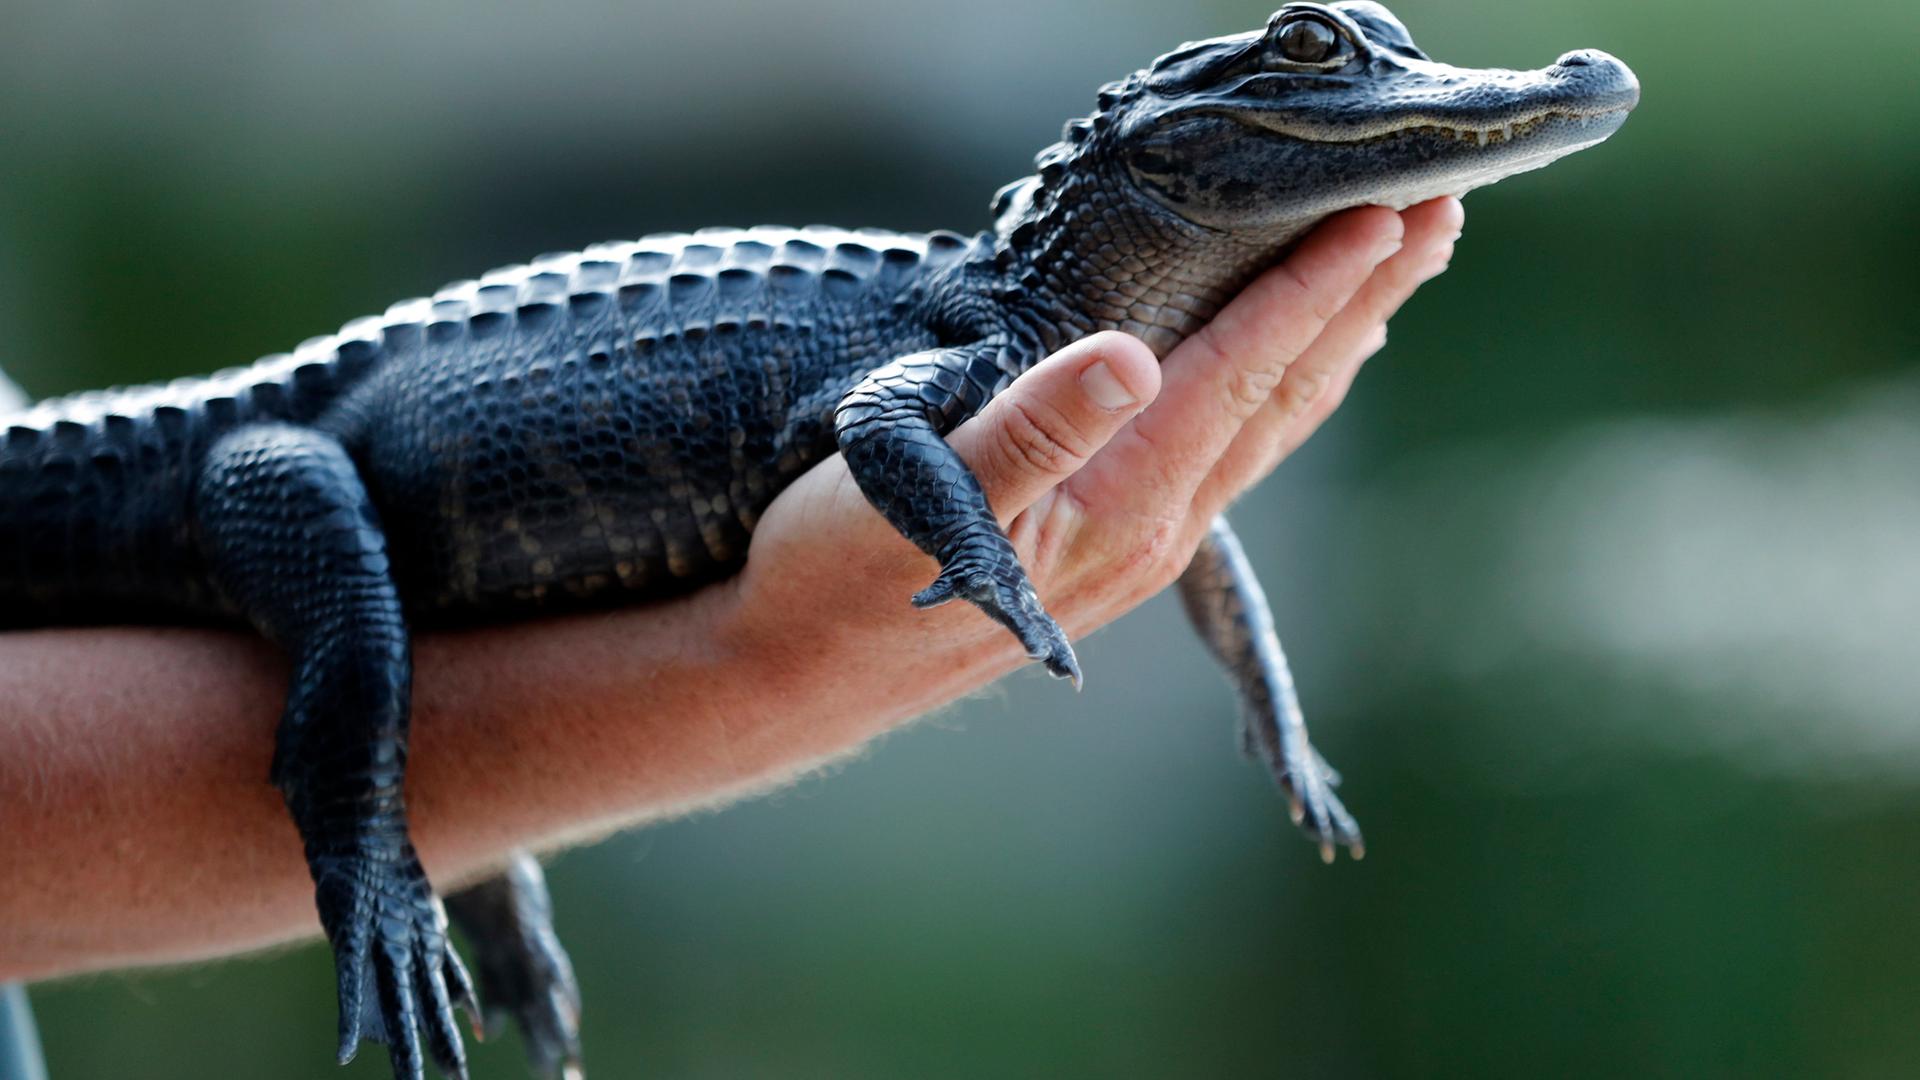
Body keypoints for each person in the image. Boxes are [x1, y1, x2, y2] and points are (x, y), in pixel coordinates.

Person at [0, 199, 1462, 982]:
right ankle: (371, 864)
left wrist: (1269, 704)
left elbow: (1198, 535)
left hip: (323, 485)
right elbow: (882, 421)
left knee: (376, 616)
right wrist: (768, 679)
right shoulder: (977, 330)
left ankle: (434, 874)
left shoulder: (999, 320)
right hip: (277, 467)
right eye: (1313, 53)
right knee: (357, 630)